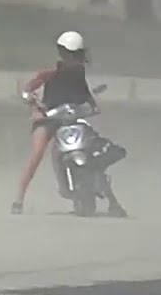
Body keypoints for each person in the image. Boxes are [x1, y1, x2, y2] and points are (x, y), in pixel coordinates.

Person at [12, 30, 124, 216]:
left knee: (93, 147)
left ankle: (111, 199)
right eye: (70, 55)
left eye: (76, 55)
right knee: (37, 153)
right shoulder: (50, 73)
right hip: (49, 119)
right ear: (62, 54)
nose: (74, 59)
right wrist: (34, 105)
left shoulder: (79, 74)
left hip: (71, 118)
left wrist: (92, 107)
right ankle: (19, 199)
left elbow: (87, 97)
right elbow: (29, 89)